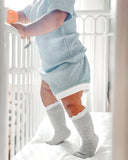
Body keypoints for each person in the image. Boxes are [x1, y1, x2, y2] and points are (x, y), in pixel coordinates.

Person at [7, 0, 98, 158]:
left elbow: (55, 19)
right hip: (51, 66)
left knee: (71, 104)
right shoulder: (38, 3)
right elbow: (23, 15)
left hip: (69, 62)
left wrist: (26, 30)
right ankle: (61, 130)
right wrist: (11, 15)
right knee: (46, 94)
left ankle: (90, 139)